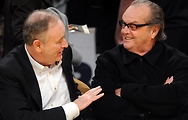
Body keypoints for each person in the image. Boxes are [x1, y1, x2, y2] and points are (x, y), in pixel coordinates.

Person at [91, 0, 188, 119]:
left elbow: (179, 101)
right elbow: (103, 106)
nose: (125, 31)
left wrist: (125, 91)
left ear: (154, 31)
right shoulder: (107, 61)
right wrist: (153, 105)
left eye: (133, 26)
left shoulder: (177, 61)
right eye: (124, 24)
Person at [0, 9, 104, 120]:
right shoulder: (8, 71)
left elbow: (72, 91)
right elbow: (22, 117)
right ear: (38, 45)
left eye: (64, 37)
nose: (65, 44)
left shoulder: (64, 52)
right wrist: (74, 107)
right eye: (59, 41)